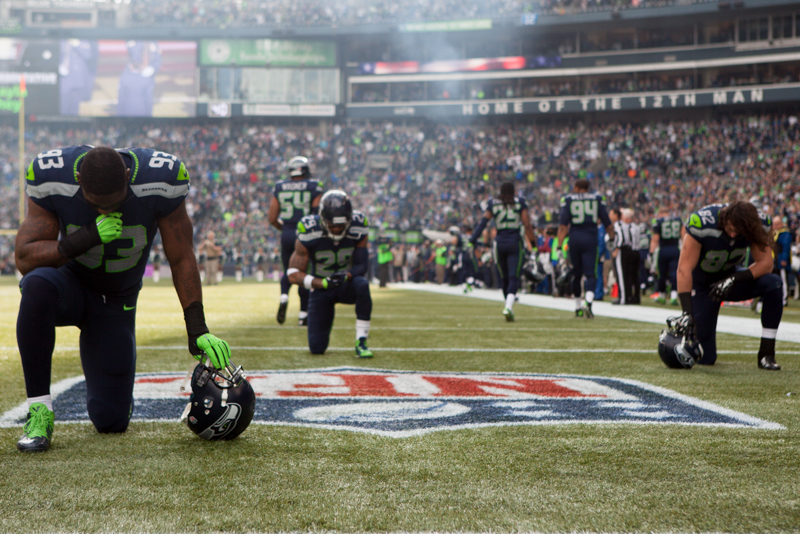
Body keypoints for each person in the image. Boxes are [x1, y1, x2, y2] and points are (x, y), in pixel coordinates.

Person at [14, 146, 231, 452]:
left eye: (114, 203)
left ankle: (112, 382)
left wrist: (197, 328)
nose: (106, 211)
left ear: (128, 177)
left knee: (110, 420)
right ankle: (39, 410)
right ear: (78, 180)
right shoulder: (53, 176)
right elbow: (25, 257)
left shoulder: (160, 179)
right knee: (36, 284)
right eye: (96, 204)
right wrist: (88, 236)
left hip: (116, 301)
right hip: (70, 285)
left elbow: (181, 256)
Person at [675, 200, 782, 370]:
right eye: (730, 229)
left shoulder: (757, 223)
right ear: (724, 219)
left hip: (730, 278)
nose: (732, 235)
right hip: (703, 285)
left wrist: (734, 279)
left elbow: (766, 263)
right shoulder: (702, 223)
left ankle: (767, 354)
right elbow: (684, 269)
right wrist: (686, 312)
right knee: (705, 357)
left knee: (774, 283)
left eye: (738, 232)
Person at [286, 190, 374, 358]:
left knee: (362, 284)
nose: (337, 228)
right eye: (332, 224)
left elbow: (362, 265)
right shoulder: (309, 228)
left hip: (345, 284)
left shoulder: (359, 225)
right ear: (322, 218)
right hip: (321, 288)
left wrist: (346, 276)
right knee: (317, 348)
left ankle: (361, 342)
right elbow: (293, 273)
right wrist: (323, 283)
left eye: (341, 225)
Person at [268, 156, 323, 326]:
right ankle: (303, 314)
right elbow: (317, 214)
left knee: (289, 270)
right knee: (304, 273)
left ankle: (284, 297)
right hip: (306, 233)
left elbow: (272, 218)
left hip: (287, 233)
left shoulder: (280, 186)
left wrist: (285, 229)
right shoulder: (313, 185)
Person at [471, 181, 536, 321]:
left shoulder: (493, 204)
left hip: (499, 243)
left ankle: (508, 304)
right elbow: (527, 223)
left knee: (504, 277)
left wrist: (473, 238)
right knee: (514, 277)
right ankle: (508, 306)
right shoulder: (520, 203)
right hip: (514, 242)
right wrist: (533, 243)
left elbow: (483, 222)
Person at [556, 179, 614, 318]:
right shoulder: (597, 199)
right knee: (590, 273)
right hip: (590, 240)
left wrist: (559, 246)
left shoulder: (569, 200)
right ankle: (588, 302)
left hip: (574, 240)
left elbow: (563, 226)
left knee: (576, 274)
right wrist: (611, 239)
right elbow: (608, 224)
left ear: (576, 187)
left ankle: (577, 307)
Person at [650, 207, 684, 305]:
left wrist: (651, 253)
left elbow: (655, 239)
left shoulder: (658, 221)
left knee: (662, 274)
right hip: (675, 249)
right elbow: (684, 235)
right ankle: (674, 296)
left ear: (660, 212)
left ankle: (662, 295)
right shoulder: (677, 220)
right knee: (674, 273)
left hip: (663, 250)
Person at [612, 208, 641, 305]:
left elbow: (621, 238)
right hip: (633, 251)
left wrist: (616, 249)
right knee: (630, 276)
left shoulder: (619, 225)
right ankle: (630, 297)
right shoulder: (632, 226)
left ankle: (623, 298)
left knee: (622, 275)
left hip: (625, 251)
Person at [772, 215, 792, 307]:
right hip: (775, 260)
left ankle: (784, 298)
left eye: (776, 224)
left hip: (781, 260)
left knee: (783, 279)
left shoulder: (785, 234)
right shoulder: (775, 233)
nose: (774, 226)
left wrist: (784, 259)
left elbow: (786, 248)